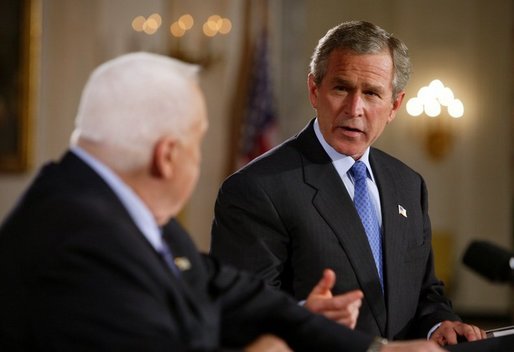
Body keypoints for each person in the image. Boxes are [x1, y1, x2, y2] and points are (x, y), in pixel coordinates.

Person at [0, 52, 444, 352]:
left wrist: (372, 349)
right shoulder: (78, 242)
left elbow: (230, 289)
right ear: (167, 155)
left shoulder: (128, 215)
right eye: (199, 141)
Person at [210, 21, 486, 346]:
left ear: (394, 105)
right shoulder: (257, 189)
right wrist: (302, 315)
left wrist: (439, 324)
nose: (355, 109)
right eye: (341, 88)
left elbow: (426, 293)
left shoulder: (408, 185)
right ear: (315, 90)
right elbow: (239, 313)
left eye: (371, 93)